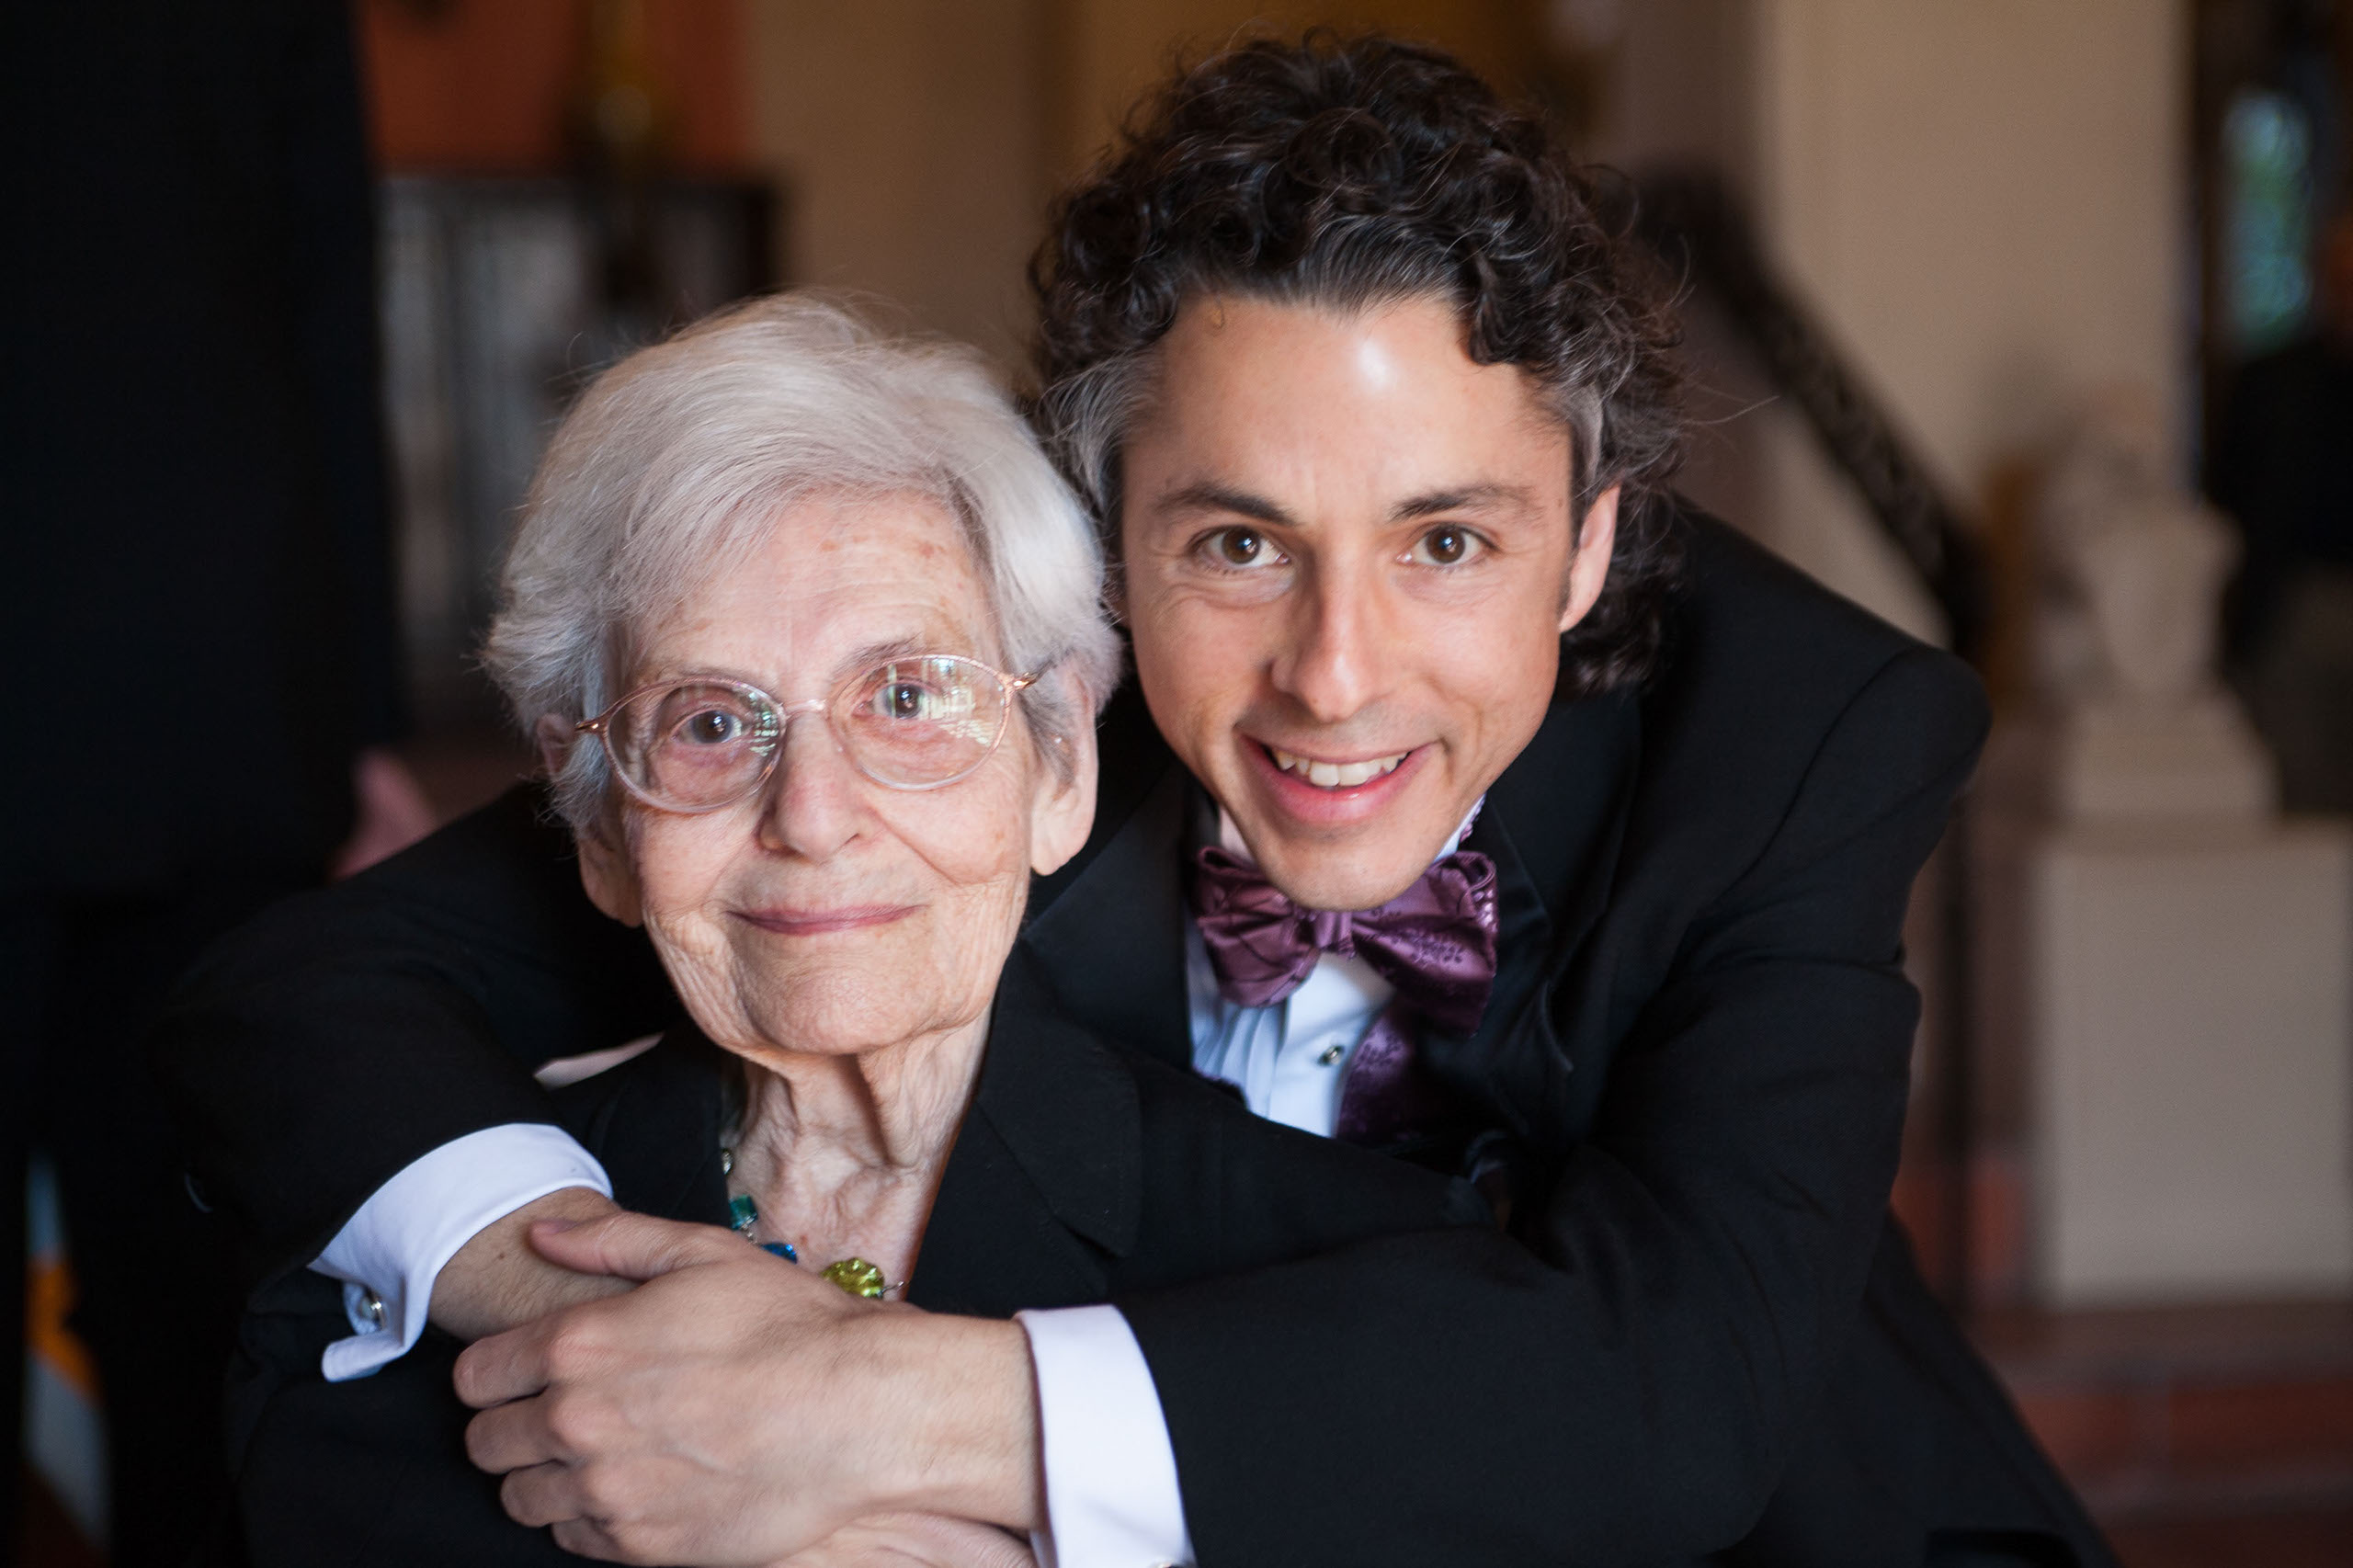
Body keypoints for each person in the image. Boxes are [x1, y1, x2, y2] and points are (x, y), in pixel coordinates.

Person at [158, 34, 2113, 1568]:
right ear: (1103, 538)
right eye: (1236, 545)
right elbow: (312, 990)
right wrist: (572, 1300)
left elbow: (1673, 1397)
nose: (1332, 675)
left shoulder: (1794, 745)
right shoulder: (977, 704)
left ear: (1591, 544)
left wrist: (869, 1411)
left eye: (1445, 542)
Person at [227, 294, 1487, 1567]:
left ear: (1059, 765)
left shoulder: (1349, 1271)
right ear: (601, 827)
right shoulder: (412, 1273)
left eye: (909, 697)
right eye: (710, 722)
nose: (814, 816)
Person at [2, 7, 433, 1562]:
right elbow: (331, 309)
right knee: (190, 1284)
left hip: (182, 689)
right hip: (220, 681)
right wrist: (360, 718)